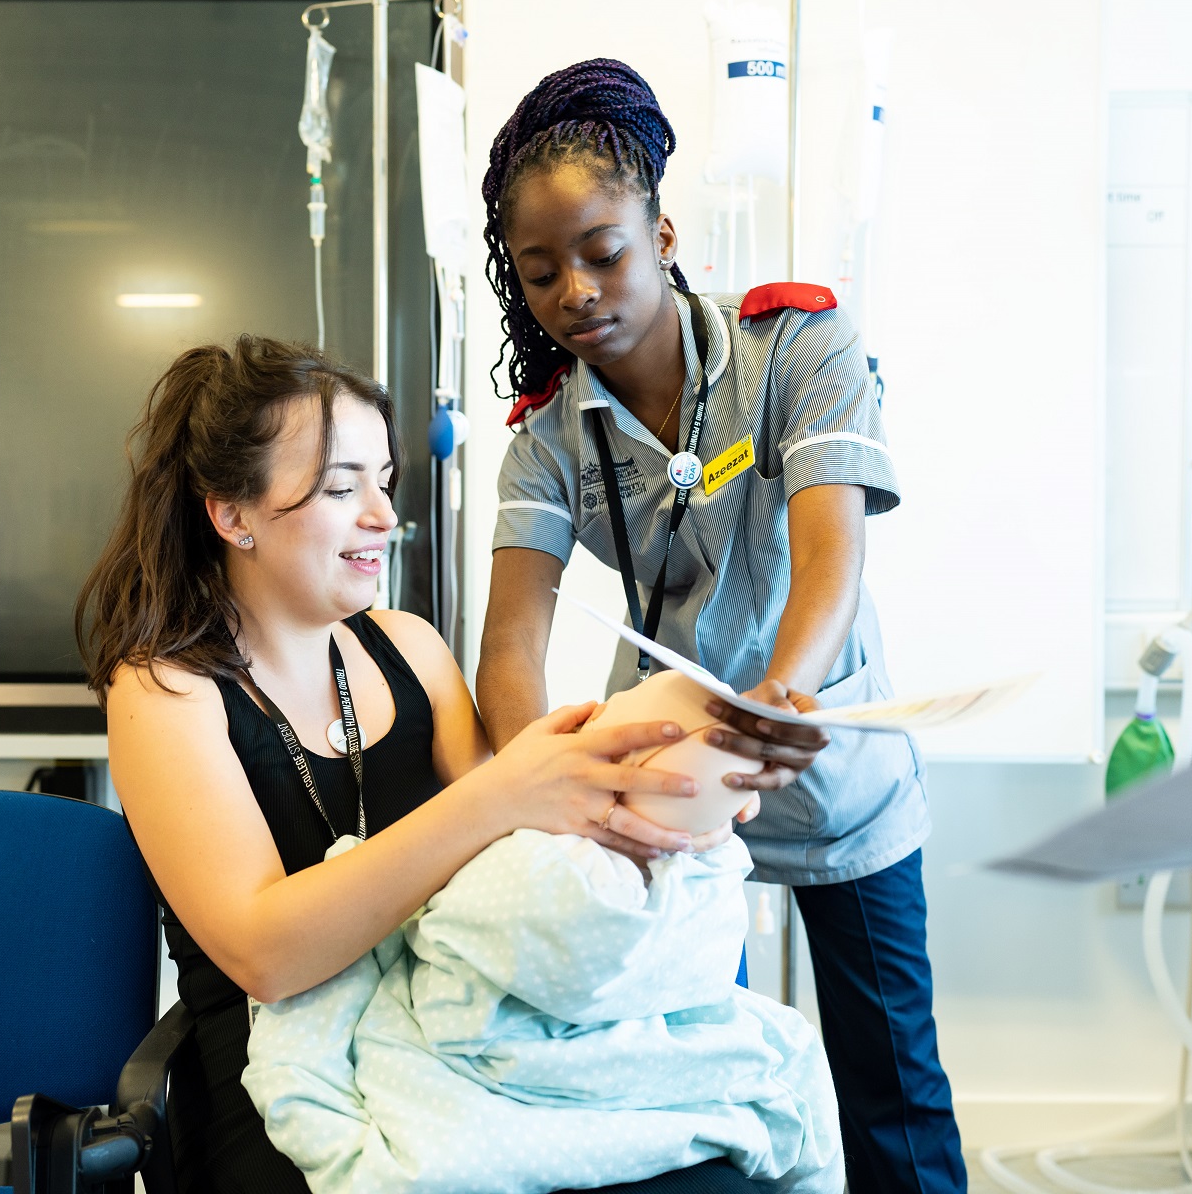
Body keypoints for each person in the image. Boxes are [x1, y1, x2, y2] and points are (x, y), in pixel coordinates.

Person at [77, 336, 769, 1194]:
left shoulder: (410, 647)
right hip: (276, 1074)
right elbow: (267, 955)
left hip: (448, 1036)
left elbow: (517, 854)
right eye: (340, 487)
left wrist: (674, 800)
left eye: (382, 482)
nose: (380, 515)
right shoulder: (162, 693)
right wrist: (497, 794)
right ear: (232, 514)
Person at [473, 59, 968, 1194]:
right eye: (541, 273)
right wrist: (536, 780)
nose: (576, 294)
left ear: (663, 229)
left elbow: (831, 548)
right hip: (673, 790)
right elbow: (512, 640)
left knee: (892, 1085)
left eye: (602, 252)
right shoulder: (549, 438)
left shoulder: (797, 349)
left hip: (828, 752)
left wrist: (783, 700)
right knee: (698, 1091)